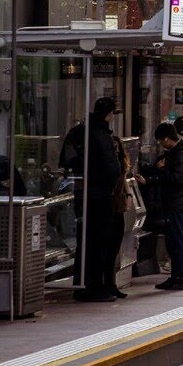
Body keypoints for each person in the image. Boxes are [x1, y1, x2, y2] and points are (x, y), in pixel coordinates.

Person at [59, 97, 123, 302]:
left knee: (84, 241)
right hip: (99, 196)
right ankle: (96, 287)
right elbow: (113, 169)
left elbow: (65, 160)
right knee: (99, 242)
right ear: (109, 115)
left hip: (81, 193)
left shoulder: (78, 132)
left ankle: (81, 285)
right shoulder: (102, 136)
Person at [149, 122, 183, 291]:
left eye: (161, 141)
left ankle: (181, 278)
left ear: (167, 138)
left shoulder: (180, 154)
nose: (161, 144)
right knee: (174, 241)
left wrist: (162, 170)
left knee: (178, 242)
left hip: (177, 204)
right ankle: (176, 276)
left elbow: (178, 179)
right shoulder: (177, 153)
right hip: (176, 203)